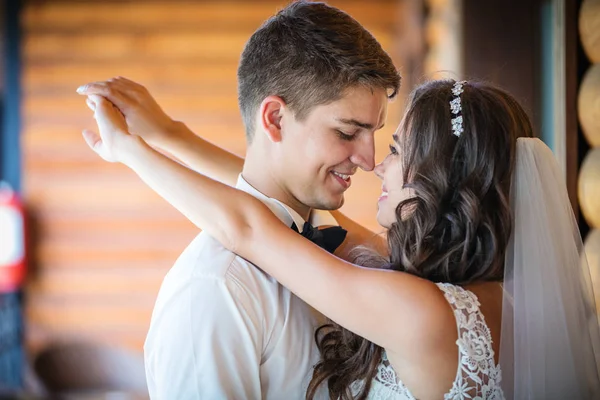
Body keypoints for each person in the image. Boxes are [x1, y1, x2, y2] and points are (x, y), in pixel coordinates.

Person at [83, 78, 600, 399]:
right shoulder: (492, 300)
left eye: (397, 151)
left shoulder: (421, 312)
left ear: (436, 182)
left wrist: (127, 152)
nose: (377, 166)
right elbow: (279, 201)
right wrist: (169, 135)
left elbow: (250, 228)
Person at [78, 1, 400, 399]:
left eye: (375, 133)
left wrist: (167, 137)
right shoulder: (214, 290)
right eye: (348, 133)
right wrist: (161, 139)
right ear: (275, 119)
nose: (369, 160)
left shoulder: (354, 253)